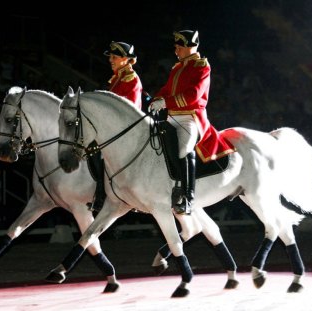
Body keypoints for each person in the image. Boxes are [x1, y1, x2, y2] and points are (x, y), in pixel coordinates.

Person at [149, 30, 235, 215]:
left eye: (179, 47)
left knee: (184, 149)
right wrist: (157, 99)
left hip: (190, 117)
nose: (176, 50)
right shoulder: (177, 67)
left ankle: (188, 197)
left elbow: (194, 95)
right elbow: (167, 89)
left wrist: (166, 102)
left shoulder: (201, 66)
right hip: (171, 116)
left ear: (189, 47)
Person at [87, 41, 143, 212]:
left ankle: (103, 193)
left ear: (126, 59)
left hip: (127, 129)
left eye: (114, 57)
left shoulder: (130, 79)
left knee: (97, 150)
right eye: (110, 57)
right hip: (113, 128)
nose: (110, 60)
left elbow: (128, 109)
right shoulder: (116, 79)